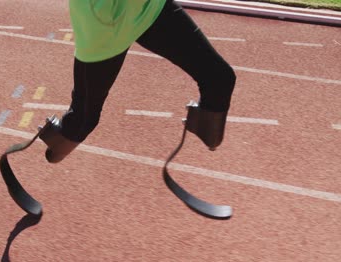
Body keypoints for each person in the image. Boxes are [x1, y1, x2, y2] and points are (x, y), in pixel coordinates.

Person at [39, 0, 236, 163]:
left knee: (220, 79)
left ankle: (210, 139)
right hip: (106, 19)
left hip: (148, 7)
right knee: (84, 120)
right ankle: (56, 147)